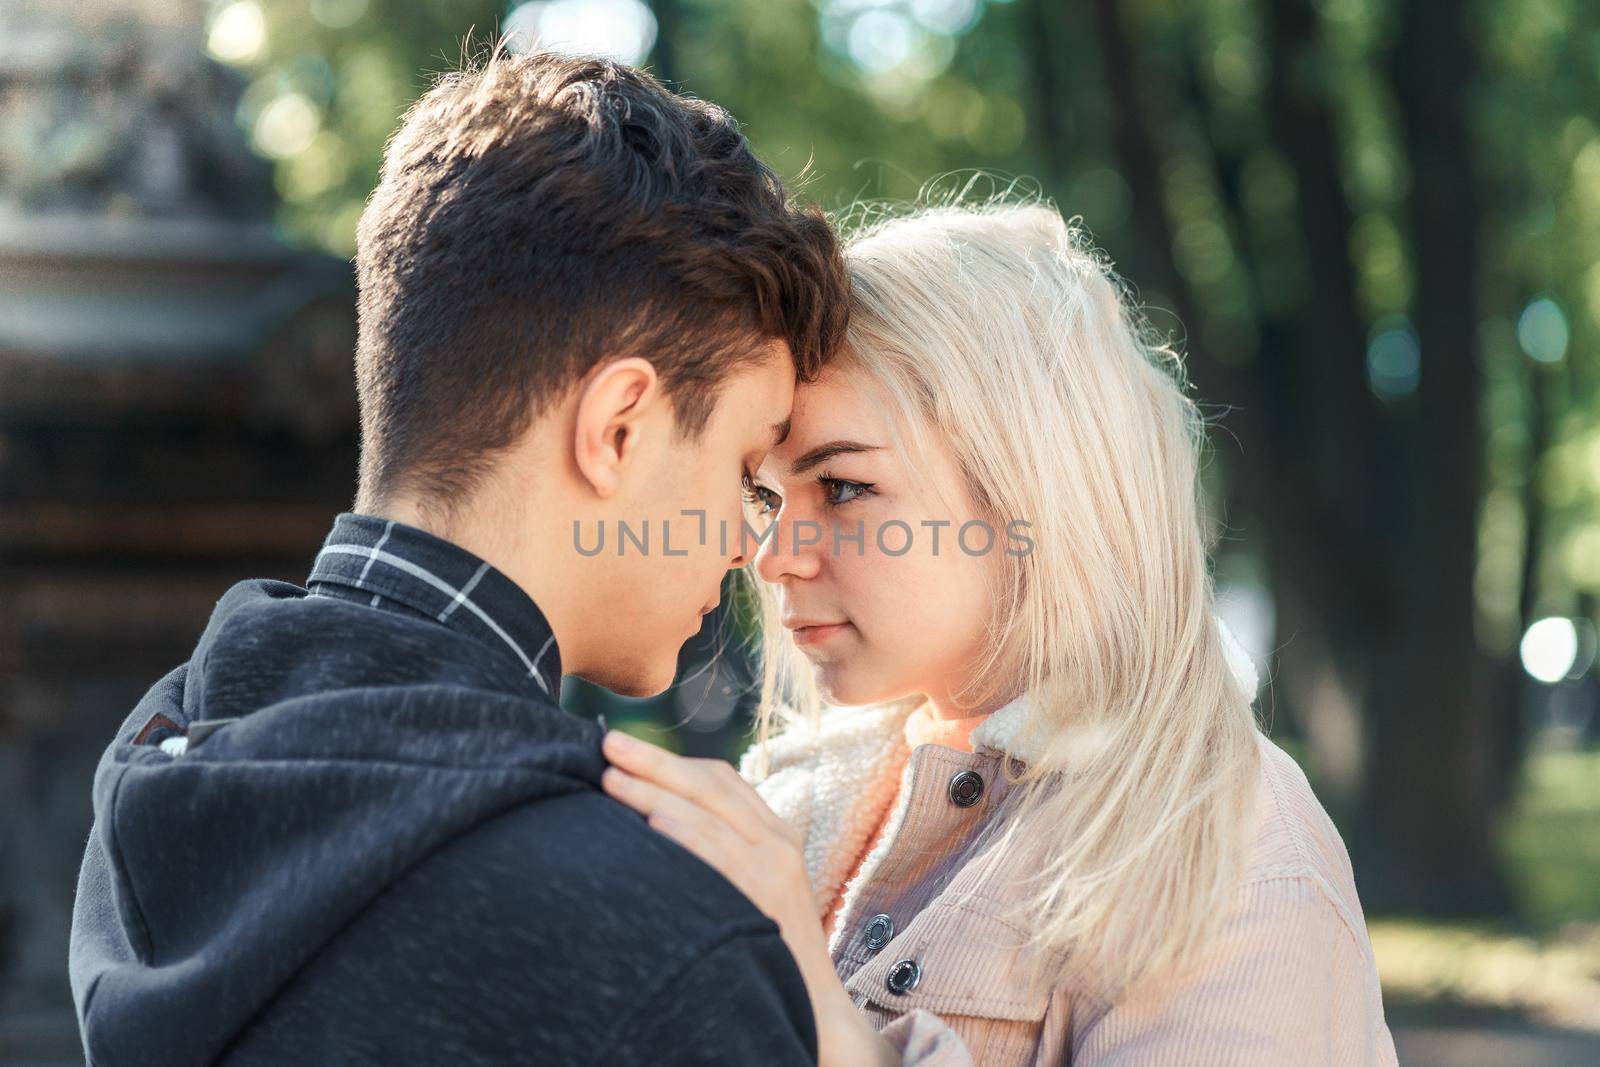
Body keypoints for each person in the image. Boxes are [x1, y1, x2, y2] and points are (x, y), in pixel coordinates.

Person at [67, 47, 850, 1066]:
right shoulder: (655, 940)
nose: (754, 540)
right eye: (746, 468)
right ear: (619, 426)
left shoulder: (153, 797)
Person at [600, 200, 1401, 1065]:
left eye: (839, 487)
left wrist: (825, 1018)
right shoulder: (797, 799)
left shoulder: (1222, 846)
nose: (772, 557)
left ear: (1029, 481)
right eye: (765, 496)